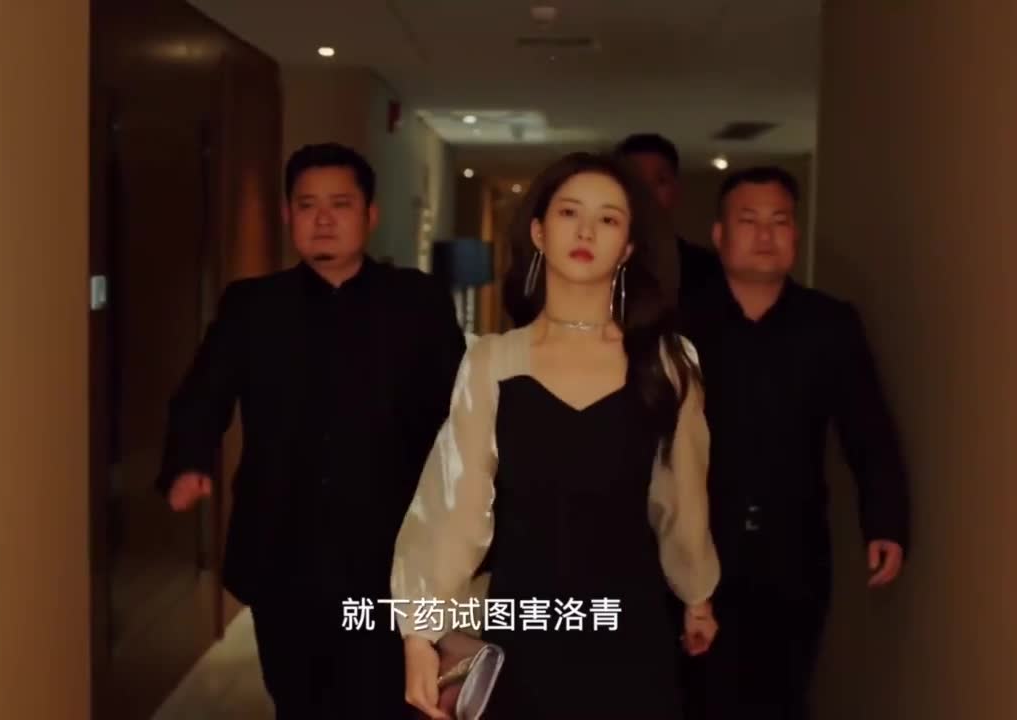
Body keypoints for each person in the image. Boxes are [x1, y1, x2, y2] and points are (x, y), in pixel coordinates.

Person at [390, 152, 721, 720]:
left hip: (629, 628)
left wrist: (697, 595)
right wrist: (420, 632)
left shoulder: (668, 361)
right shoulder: (492, 361)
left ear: (629, 246)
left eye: (608, 218)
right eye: (570, 212)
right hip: (522, 628)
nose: (586, 231)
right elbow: (456, 506)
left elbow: (681, 497)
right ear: (540, 231)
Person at [155, 143, 466, 719]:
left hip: (391, 552)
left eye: (340, 204)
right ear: (287, 215)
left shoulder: (416, 302)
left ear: (370, 214)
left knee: (387, 698)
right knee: (299, 701)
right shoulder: (253, 306)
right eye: (307, 205)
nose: (323, 219)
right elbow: (203, 394)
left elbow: (457, 412)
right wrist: (189, 460)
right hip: (282, 550)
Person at [683, 166, 911, 720]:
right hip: (693, 549)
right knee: (695, 696)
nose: (765, 234)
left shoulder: (830, 324)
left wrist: (885, 522)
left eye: (779, 221)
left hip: (794, 552)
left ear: (796, 234)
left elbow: (868, 429)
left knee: (782, 696)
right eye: (749, 220)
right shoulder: (681, 322)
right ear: (719, 235)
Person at [616, 133, 722, 313]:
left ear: (675, 189)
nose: (647, 192)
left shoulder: (707, 269)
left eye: (660, 181)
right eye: (636, 180)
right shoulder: (597, 261)